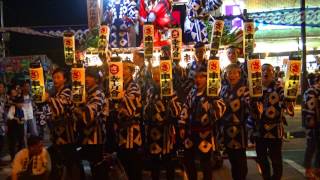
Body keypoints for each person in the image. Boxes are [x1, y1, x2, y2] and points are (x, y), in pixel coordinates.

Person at [179, 65, 226, 180]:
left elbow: (221, 109)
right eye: (196, 77)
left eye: (201, 77)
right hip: (190, 132)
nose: (198, 79)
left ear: (207, 78)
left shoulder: (212, 92)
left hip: (205, 133)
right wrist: (182, 125)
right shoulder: (192, 92)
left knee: (205, 162)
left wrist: (212, 101)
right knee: (188, 159)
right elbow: (185, 108)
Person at [252, 64, 294, 180]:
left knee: (276, 157)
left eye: (269, 70)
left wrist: (289, 102)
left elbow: (285, 101)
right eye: (263, 70)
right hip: (259, 129)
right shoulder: (255, 88)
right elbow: (249, 105)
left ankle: (276, 177)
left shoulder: (279, 88)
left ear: (273, 73)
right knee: (261, 157)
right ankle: (266, 177)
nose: (266, 72)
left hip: (275, 129)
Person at [219, 63, 261, 180]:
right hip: (226, 128)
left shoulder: (245, 89)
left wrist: (254, 104)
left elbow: (251, 107)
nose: (231, 75)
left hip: (239, 129)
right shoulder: (223, 89)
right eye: (229, 73)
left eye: (234, 73)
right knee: (231, 158)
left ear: (239, 74)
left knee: (240, 158)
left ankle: (241, 178)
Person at [144, 66, 182, 180]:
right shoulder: (150, 91)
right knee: (154, 160)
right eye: (154, 74)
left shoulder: (172, 91)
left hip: (166, 131)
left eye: (158, 74)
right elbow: (145, 110)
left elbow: (177, 112)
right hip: (153, 130)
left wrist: (169, 98)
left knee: (168, 160)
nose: (156, 77)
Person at [110, 60, 143, 180]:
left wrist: (120, 96)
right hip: (121, 132)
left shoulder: (134, 86)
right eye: (121, 68)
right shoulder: (119, 86)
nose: (122, 71)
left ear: (131, 71)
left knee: (133, 165)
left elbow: (130, 106)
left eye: (125, 68)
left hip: (132, 132)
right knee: (123, 164)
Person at [44, 68, 79, 180]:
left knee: (69, 159)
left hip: (67, 132)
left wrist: (49, 100)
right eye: (54, 77)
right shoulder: (57, 92)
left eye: (58, 77)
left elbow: (60, 107)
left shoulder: (67, 91)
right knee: (62, 158)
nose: (55, 80)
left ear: (65, 79)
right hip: (58, 132)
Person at [73, 67, 107, 179]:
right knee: (89, 164)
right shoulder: (85, 92)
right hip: (86, 135)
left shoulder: (98, 93)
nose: (86, 79)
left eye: (90, 76)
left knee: (97, 166)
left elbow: (90, 113)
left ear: (96, 79)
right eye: (85, 76)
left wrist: (79, 109)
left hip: (96, 135)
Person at [303, 73, 320, 178]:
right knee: (311, 146)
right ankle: (308, 169)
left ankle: (317, 169)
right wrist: (310, 119)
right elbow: (309, 107)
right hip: (314, 124)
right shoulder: (312, 91)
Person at [7, 95, 26, 161]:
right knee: (13, 142)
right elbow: (9, 116)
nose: (21, 104)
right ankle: (13, 158)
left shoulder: (23, 109)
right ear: (16, 103)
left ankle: (20, 156)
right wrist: (16, 119)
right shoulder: (13, 107)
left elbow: (24, 116)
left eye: (22, 103)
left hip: (20, 127)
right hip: (13, 127)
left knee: (21, 142)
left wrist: (23, 119)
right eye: (19, 103)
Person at [0, 82, 7, 163]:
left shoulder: (3, 98)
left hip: (1, 123)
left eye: (2, 87)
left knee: (2, 141)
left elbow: (4, 111)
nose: (1, 89)